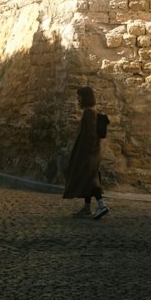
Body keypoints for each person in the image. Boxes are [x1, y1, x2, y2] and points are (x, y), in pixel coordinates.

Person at [63, 85, 108, 219]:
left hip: (88, 154)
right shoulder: (92, 111)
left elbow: (89, 135)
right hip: (91, 153)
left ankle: (101, 206)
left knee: (90, 179)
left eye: (79, 97)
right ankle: (87, 208)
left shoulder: (89, 113)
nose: (78, 100)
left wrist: (84, 155)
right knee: (88, 179)